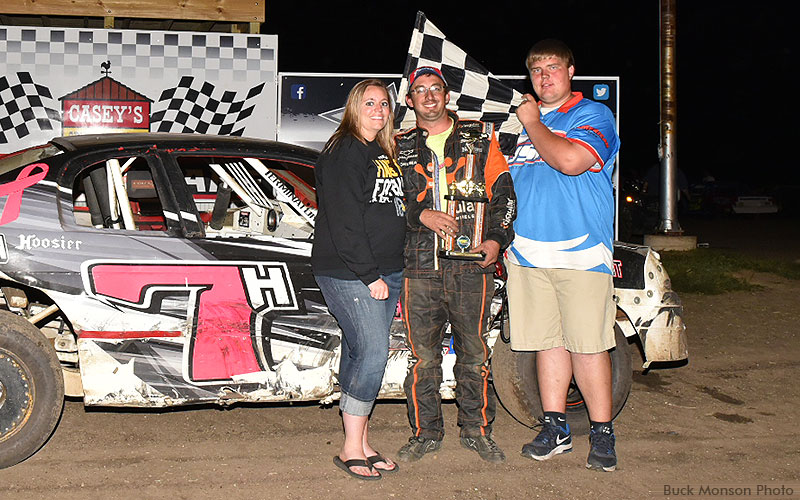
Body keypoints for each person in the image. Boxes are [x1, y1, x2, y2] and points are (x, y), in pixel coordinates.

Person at [505, 39, 621, 472]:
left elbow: (571, 160)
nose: (544, 77)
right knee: (546, 343)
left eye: (553, 68)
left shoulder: (592, 114)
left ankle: (603, 433)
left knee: (588, 346)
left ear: (571, 71)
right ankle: (556, 428)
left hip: (581, 253)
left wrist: (534, 123)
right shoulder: (517, 125)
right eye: (536, 70)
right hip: (529, 253)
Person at [393, 66, 516, 464]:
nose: (428, 96)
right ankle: (425, 433)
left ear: (447, 96)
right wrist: (419, 215)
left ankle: (477, 431)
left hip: (471, 265)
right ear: (409, 101)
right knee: (422, 357)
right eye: (420, 91)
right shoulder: (396, 144)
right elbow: (383, 204)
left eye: (436, 89)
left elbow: (505, 195)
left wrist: (498, 238)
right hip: (418, 266)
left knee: (475, 354)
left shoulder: (480, 137)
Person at [311, 79, 405, 480]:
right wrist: (369, 275)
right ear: (354, 107)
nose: (378, 109)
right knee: (371, 355)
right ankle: (351, 446)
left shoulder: (379, 151)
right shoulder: (344, 150)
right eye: (369, 103)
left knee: (358, 353)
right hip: (352, 271)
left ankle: (362, 441)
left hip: (384, 269)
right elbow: (345, 220)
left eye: (384, 103)